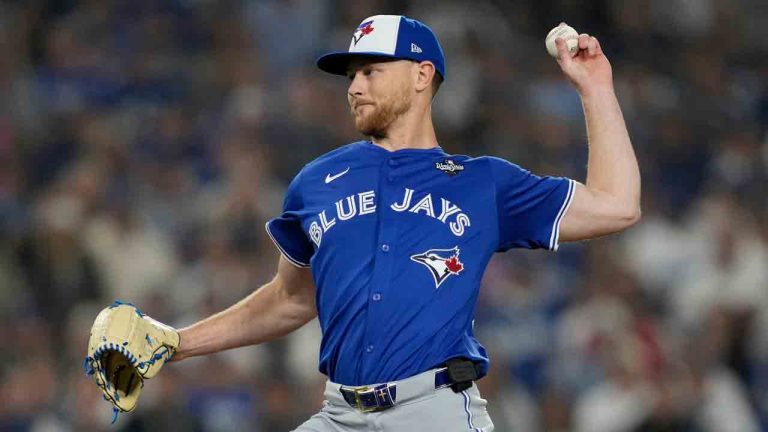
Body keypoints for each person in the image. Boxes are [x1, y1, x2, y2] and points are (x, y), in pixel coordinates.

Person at [171, 14, 640, 431]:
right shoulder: (316, 183)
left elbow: (617, 204)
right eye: (352, 75)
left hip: (433, 411)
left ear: (422, 75)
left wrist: (595, 88)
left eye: (371, 71)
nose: (354, 87)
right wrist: (178, 342)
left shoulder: (482, 183)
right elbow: (290, 299)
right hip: (338, 414)